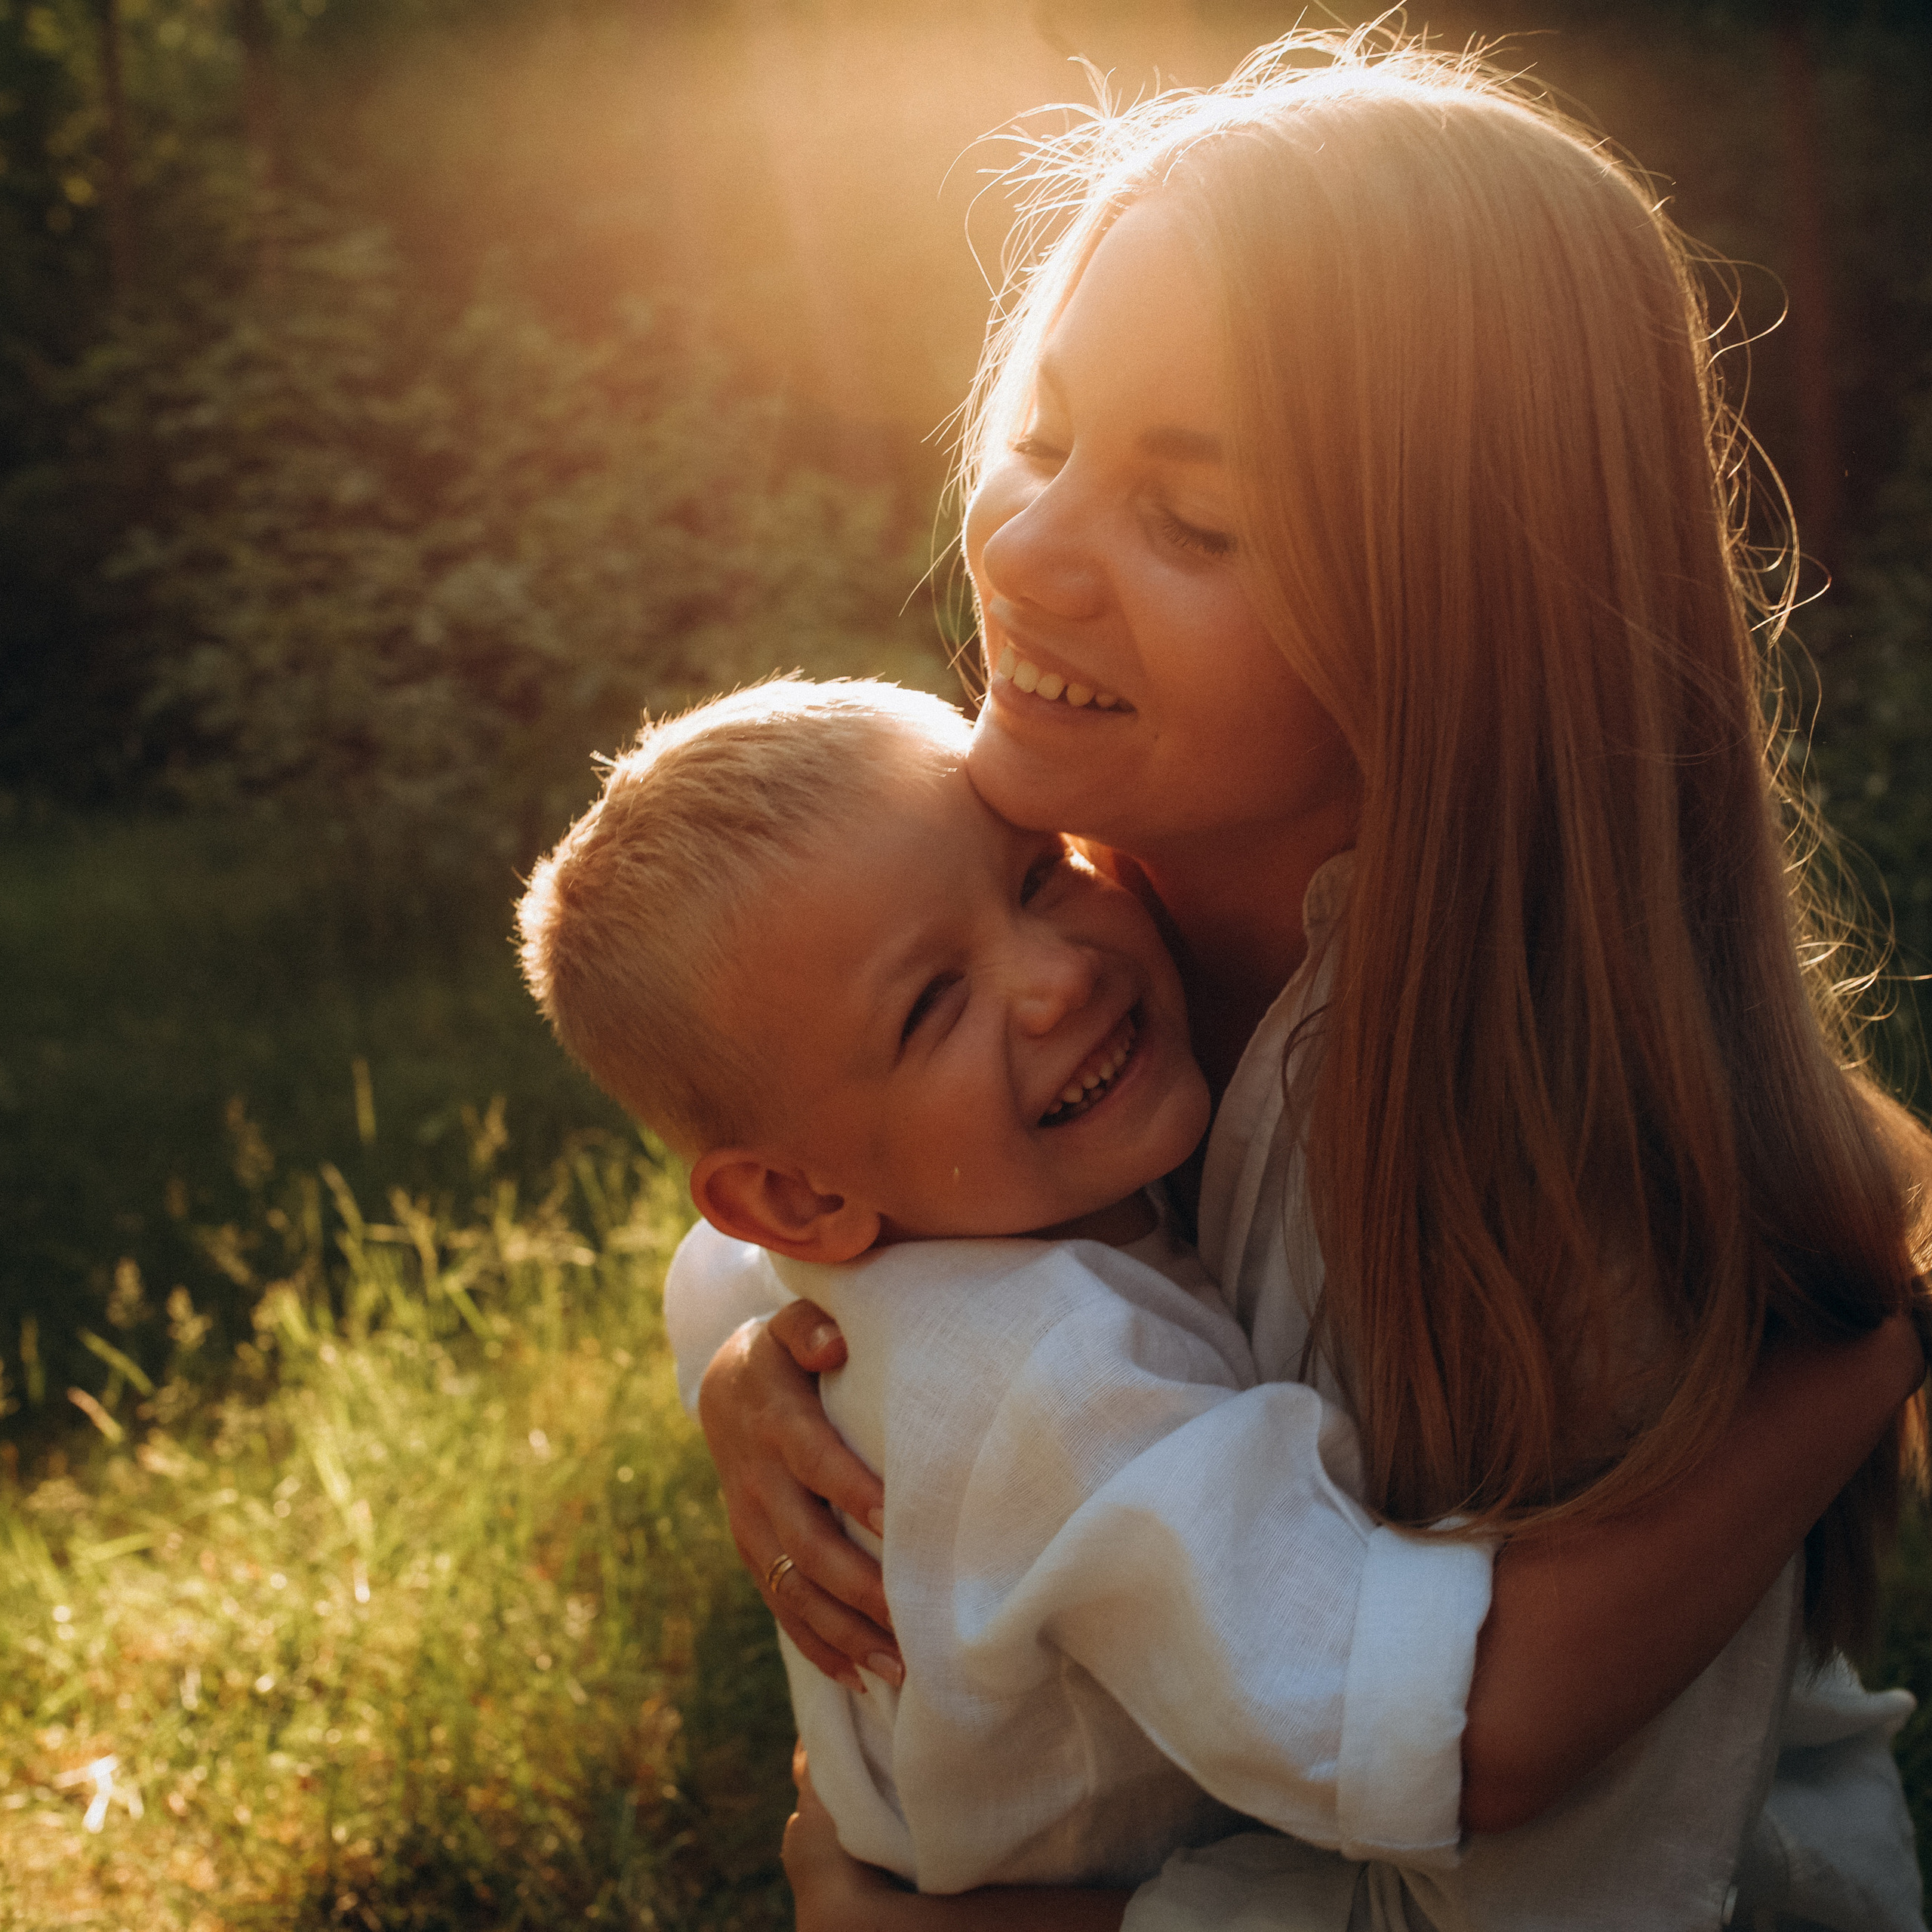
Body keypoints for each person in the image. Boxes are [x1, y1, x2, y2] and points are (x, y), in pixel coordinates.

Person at [692, 29, 1932, 1932]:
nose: (1021, 543)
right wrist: (794, 1351)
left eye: (1187, 521)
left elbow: (1520, 1883)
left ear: (1454, 615)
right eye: (1039, 434)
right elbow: (784, 1143)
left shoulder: (1552, 1212)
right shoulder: (1047, 903)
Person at [516, 675, 1495, 1892]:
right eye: (932, 1004)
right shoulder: (1061, 1376)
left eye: (1039, 873)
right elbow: (1396, 1726)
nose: (1056, 978)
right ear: (800, 1202)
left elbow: (715, 1273)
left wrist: (735, 1374)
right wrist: (1795, 1411)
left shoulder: (850, 1267)